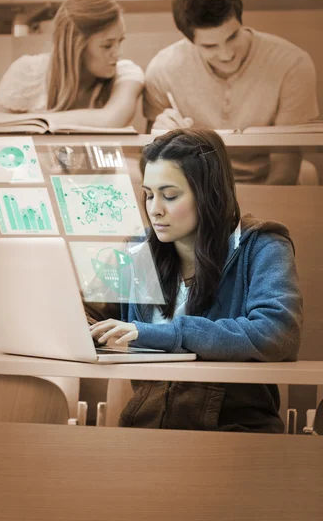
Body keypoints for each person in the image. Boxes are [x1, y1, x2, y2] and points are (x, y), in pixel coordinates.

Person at [90, 128, 303, 433]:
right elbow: (92, 315)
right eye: (149, 194)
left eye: (170, 195)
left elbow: (276, 332)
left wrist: (163, 333)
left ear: (209, 193)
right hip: (146, 427)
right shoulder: (139, 249)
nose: (154, 209)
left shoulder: (262, 246)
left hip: (235, 431)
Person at [144, 0, 319, 185]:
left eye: (232, 36)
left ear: (240, 18)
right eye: (209, 46)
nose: (226, 55)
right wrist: (164, 141)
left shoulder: (292, 63)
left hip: (266, 180)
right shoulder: (163, 69)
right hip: (197, 186)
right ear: (188, 40)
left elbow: (285, 169)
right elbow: (150, 165)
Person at [0, 0, 144, 129]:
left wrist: (27, 121)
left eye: (120, 41)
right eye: (107, 46)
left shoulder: (127, 74)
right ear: (76, 47)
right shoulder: (26, 72)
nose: (118, 53)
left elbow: (111, 119)